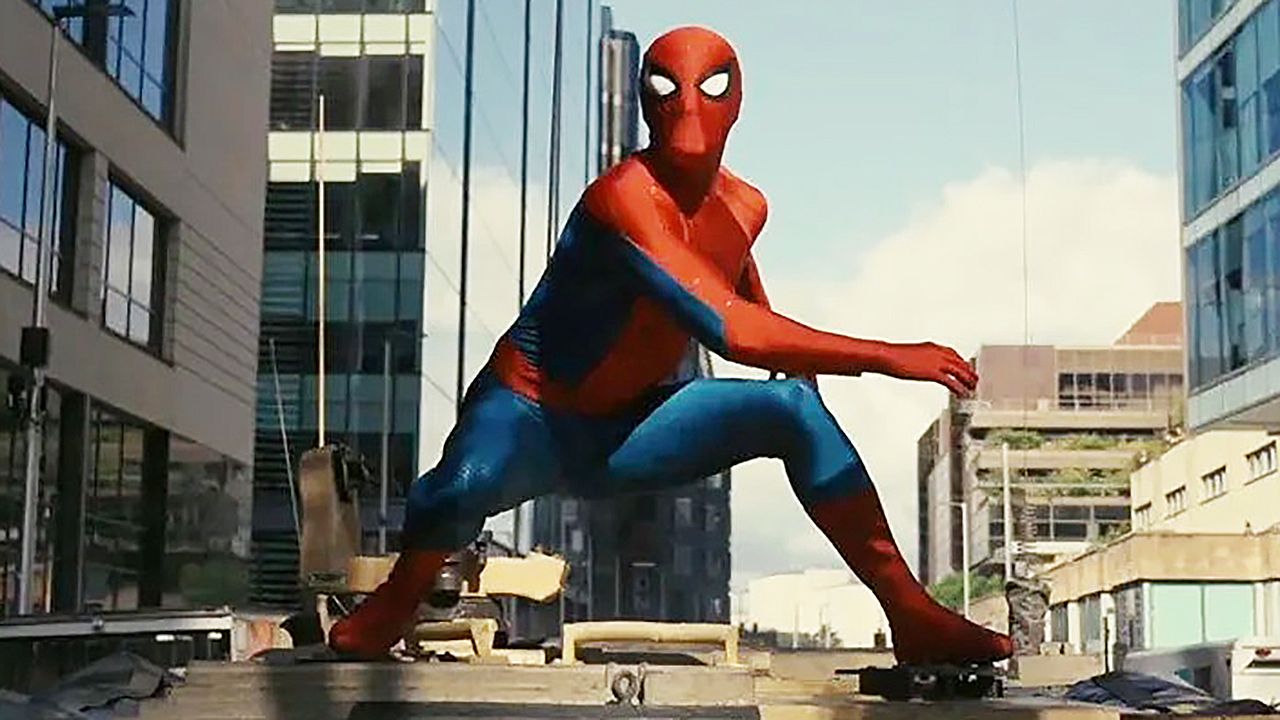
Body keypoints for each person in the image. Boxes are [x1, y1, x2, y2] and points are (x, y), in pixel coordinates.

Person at [329, 26, 1013, 666]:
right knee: (459, 488)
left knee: (795, 412)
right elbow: (730, 329)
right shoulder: (622, 199)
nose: (687, 106)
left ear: (736, 101)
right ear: (644, 100)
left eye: (709, 88)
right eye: (667, 86)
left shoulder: (744, 207)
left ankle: (912, 615)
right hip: (530, 413)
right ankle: (396, 601)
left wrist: (800, 385)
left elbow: (741, 290)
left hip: (628, 427)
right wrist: (890, 355)